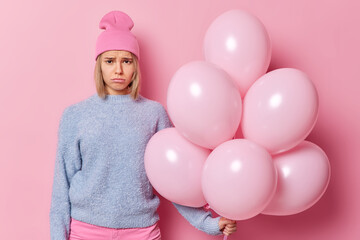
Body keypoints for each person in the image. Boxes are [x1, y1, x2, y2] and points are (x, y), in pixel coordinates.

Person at [49, 10, 237, 240]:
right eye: (110, 61)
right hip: (86, 232)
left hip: (141, 232)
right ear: (99, 65)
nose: (118, 69)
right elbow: (61, 187)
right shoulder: (75, 116)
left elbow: (175, 179)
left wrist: (207, 222)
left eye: (126, 61)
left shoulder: (154, 114)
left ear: (135, 66)